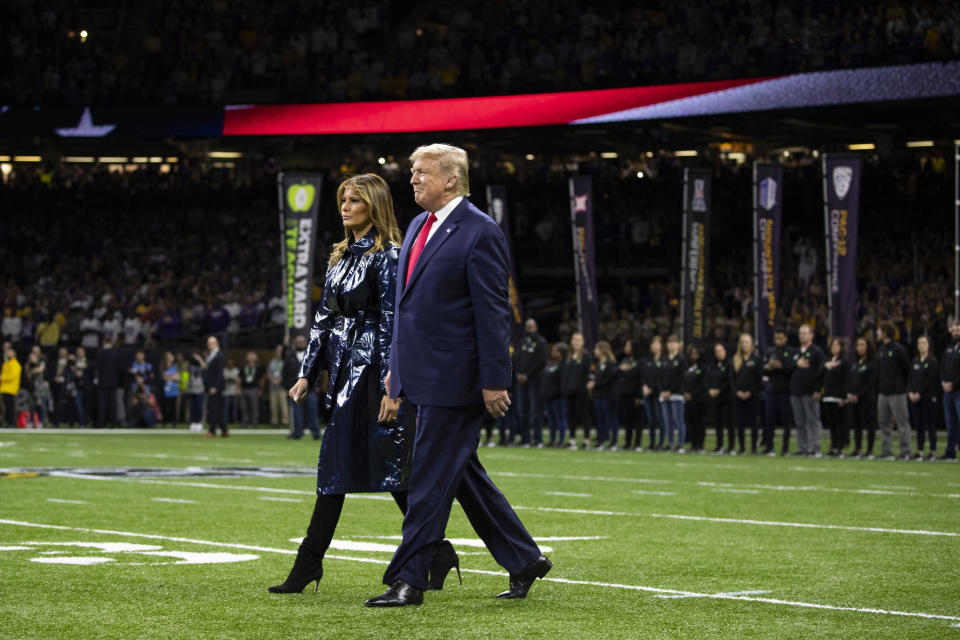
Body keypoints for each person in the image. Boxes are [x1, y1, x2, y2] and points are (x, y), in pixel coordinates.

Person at [367, 144, 548, 607]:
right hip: (420, 374)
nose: (411, 179)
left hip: (457, 379)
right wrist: (396, 370)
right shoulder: (416, 226)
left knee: (426, 479)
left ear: (452, 179)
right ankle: (524, 558)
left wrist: (495, 379)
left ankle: (408, 580)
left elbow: (492, 313)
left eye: (421, 172)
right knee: (463, 476)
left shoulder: (480, 231)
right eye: (411, 172)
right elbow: (408, 310)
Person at [270, 173, 455, 595]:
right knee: (381, 469)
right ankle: (438, 551)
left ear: (374, 205)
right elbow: (323, 320)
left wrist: (394, 387)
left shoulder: (388, 256)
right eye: (343, 199)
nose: (345, 206)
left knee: (354, 467)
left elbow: (393, 323)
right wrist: (305, 372)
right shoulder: (339, 258)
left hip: (372, 371)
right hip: (342, 371)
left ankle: (308, 563)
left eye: (354, 200)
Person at [876, 322, 911, 460]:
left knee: (902, 422)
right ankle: (886, 451)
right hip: (883, 392)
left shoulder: (898, 349)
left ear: (885, 332)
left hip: (897, 392)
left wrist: (904, 387)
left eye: (879, 330)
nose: (877, 333)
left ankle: (905, 451)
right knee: (883, 422)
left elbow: (906, 369)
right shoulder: (882, 349)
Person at [789, 324, 825, 457]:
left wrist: (818, 389)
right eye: (800, 333)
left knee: (812, 420)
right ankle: (803, 448)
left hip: (810, 392)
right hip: (796, 392)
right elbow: (787, 367)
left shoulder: (817, 352)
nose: (802, 336)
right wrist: (795, 363)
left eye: (804, 333)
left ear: (811, 335)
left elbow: (821, 372)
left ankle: (815, 447)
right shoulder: (795, 352)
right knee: (799, 421)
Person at [763, 328, 795, 456]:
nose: (778, 341)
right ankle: (769, 447)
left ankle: (785, 448)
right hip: (771, 391)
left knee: (786, 420)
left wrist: (782, 366)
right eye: (776, 338)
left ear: (786, 338)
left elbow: (792, 369)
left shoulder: (791, 352)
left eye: (780, 338)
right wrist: (769, 367)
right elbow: (764, 369)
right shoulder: (771, 352)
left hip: (785, 391)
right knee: (769, 419)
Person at [515, 318, 547, 446]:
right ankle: (525, 439)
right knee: (522, 410)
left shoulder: (541, 342)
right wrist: (518, 373)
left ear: (536, 327)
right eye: (528, 326)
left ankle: (538, 439)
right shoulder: (522, 342)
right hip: (521, 382)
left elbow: (541, 361)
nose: (530, 329)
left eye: (532, 326)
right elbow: (517, 359)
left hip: (535, 381)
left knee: (535, 410)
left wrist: (527, 374)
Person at [282, 335, 320, 440]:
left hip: (310, 390)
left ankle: (316, 434)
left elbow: (318, 371)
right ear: (295, 343)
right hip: (295, 390)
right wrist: (287, 387)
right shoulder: (290, 357)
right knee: (297, 414)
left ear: (305, 343)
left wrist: (318, 386)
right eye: (298, 342)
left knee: (313, 413)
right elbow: (285, 374)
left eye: (302, 341)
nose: (300, 343)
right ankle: (298, 433)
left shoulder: (311, 355)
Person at [731, 333, 762, 454]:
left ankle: (754, 447)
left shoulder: (757, 360)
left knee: (753, 422)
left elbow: (758, 379)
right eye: (743, 342)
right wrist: (737, 392)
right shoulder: (736, 360)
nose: (745, 345)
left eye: (747, 342)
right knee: (739, 422)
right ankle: (742, 447)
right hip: (738, 396)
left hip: (753, 396)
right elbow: (732, 378)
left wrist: (750, 392)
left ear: (752, 345)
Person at [907, 335, 938, 461]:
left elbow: (931, 380)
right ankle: (920, 451)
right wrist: (909, 392)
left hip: (927, 397)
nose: (921, 345)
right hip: (914, 398)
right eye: (919, 343)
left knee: (930, 424)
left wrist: (919, 392)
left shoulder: (932, 361)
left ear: (929, 345)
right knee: (919, 425)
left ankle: (932, 451)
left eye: (924, 343)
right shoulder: (915, 361)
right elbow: (910, 379)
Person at [846, 337, 877, 459]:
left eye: (862, 345)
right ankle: (857, 448)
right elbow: (849, 381)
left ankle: (869, 450)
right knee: (856, 424)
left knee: (870, 424)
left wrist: (858, 395)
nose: (860, 347)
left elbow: (870, 383)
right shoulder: (854, 364)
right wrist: (850, 394)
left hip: (867, 399)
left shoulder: (872, 363)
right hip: (854, 399)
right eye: (858, 345)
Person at [562, 332, 593, 449]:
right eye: (575, 340)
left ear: (583, 342)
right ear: (571, 341)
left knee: (584, 414)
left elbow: (586, 374)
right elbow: (565, 374)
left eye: (579, 340)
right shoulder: (569, 356)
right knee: (571, 415)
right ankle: (572, 440)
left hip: (581, 391)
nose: (577, 342)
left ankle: (586, 440)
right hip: (569, 391)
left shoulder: (586, 356)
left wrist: (582, 386)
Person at [821, 338, 850, 457]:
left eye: (837, 345)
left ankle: (840, 446)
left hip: (838, 397)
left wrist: (844, 396)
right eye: (832, 345)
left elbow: (847, 379)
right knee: (832, 424)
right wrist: (825, 366)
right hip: (828, 396)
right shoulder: (827, 360)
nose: (834, 347)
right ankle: (833, 446)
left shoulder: (844, 361)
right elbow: (820, 374)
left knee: (840, 423)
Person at [588, 340, 618, 450]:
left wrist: (596, 383)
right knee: (599, 419)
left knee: (610, 418)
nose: (594, 351)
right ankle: (600, 440)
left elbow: (609, 379)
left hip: (608, 395)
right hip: (598, 395)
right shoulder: (596, 365)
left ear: (601, 350)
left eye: (596, 349)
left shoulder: (611, 364)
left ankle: (613, 442)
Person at [659, 335, 686, 453]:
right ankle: (670, 443)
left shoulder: (681, 359)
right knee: (667, 420)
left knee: (678, 419)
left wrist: (670, 391)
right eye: (669, 342)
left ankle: (680, 443)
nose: (671, 344)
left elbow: (680, 378)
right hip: (664, 395)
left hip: (676, 394)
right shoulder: (663, 359)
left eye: (674, 342)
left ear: (678, 344)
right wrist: (662, 390)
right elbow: (659, 377)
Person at [615, 339, 643, 451]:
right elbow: (616, 372)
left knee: (637, 420)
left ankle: (637, 443)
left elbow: (641, 379)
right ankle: (627, 442)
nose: (625, 348)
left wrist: (639, 396)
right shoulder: (624, 360)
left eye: (627, 346)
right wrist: (619, 368)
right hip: (624, 394)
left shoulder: (639, 362)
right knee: (627, 420)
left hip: (634, 395)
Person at [938, 321, 960, 461]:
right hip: (948, 392)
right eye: (953, 330)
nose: (955, 332)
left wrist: (953, 384)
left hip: (958, 391)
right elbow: (942, 368)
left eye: (958, 330)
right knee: (950, 423)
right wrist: (944, 383)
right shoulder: (949, 349)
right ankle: (950, 452)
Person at [199, 336, 227, 437]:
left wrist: (215, 386)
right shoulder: (211, 355)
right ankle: (224, 429)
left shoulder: (219, 355)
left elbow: (220, 373)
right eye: (208, 343)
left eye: (212, 343)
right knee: (216, 409)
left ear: (216, 343)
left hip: (215, 387)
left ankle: (212, 430)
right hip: (211, 386)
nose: (209, 345)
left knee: (213, 408)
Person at [541, 343, 567, 447]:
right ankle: (552, 440)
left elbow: (563, 382)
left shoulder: (564, 365)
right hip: (549, 396)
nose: (553, 353)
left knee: (560, 419)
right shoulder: (550, 364)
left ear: (561, 353)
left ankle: (561, 440)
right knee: (551, 420)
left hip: (559, 397)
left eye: (556, 351)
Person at [683, 343, 708, 453]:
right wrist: (685, 393)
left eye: (696, 353)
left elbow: (703, 384)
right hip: (688, 399)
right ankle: (693, 444)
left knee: (699, 422)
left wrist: (692, 394)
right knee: (690, 422)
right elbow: (683, 381)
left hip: (699, 399)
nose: (694, 356)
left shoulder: (703, 367)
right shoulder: (687, 367)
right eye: (692, 353)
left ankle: (700, 445)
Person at [95, 339, 124, 428]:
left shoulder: (101, 353)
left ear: (104, 343)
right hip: (113, 381)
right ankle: (113, 423)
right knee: (113, 403)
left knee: (102, 403)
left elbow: (98, 367)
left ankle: (101, 423)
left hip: (103, 381)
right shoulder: (116, 353)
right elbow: (120, 368)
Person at [641, 336, 663, 450]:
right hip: (647, 394)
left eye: (657, 344)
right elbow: (643, 375)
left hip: (658, 394)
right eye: (653, 344)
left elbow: (661, 377)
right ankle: (652, 442)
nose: (655, 346)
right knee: (650, 420)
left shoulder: (663, 360)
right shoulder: (647, 360)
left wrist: (652, 388)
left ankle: (661, 442)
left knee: (660, 419)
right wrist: (644, 386)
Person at [267, 345, 289, 428]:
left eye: (280, 350)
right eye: (277, 350)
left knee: (283, 405)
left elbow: (286, 373)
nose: (279, 352)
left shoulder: (285, 361)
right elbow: (268, 373)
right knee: (273, 406)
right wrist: (273, 380)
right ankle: (274, 422)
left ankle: (285, 422)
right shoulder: (272, 362)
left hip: (282, 387)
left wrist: (280, 380)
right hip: (273, 387)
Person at [240, 351, 264, 428]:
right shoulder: (244, 366)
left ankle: (255, 423)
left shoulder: (258, 367)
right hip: (244, 388)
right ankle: (245, 422)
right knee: (244, 407)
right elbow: (239, 378)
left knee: (254, 407)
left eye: (251, 357)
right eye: (249, 357)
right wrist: (239, 388)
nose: (250, 358)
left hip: (254, 389)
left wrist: (260, 389)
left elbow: (262, 379)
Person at [1, 345, 22, 426]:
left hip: (11, 389)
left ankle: (12, 423)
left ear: (14, 353)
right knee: (4, 408)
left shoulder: (16, 364)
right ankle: (6, 422)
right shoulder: (6, 364)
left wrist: (2, 377)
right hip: (4, 388)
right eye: (7, 352)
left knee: (10, 407)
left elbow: (11, 377)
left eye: (10, 352)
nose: (8, 354)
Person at [160, 352, 179, 428]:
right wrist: (172, 376)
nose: (172, 356)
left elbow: (178, 377)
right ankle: (164, 422)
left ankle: (174, 423)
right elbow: (164, 377)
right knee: (165, 408)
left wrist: (169, 376)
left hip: (174, 390)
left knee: (173, 408)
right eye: (170, 355)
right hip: (166, 390)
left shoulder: (175, 366)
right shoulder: (162, 367)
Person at [223, 358, 241, 424]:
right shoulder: (224, 370)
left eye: (231, 363)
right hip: (226, 391)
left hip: (234, 391)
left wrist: (238, 389)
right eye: (229, 363)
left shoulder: (236, 370)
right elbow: (223, 379)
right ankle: (225, 420)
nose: (230, 364)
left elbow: (238, 380)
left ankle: (234, 420)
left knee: (234, 407)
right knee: (226, 407)